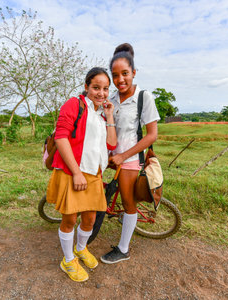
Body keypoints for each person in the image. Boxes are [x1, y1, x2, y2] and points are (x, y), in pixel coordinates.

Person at [46, 67, 117, 282]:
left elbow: (112, 143)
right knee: (70, 219)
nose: (101, 93)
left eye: (105, 89)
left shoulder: (99, 114)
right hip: (73, 172)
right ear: (86, 87)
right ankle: (68, 260)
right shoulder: (74, 104)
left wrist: (110, 115)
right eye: (96, 87)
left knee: (90, 218)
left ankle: (80, 248)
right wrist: (76, 172)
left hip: (94, 174)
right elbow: (61, 137)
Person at [101, 43, 160, 264]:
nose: (120, 80)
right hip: (110, 157)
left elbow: (151, 135)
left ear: (133, 73)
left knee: (128, 203)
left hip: (130, 159)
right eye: (115, 75)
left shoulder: (144, 97)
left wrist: (123, 157)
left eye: (125, 74)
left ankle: (123, 249)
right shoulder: (111, 99)